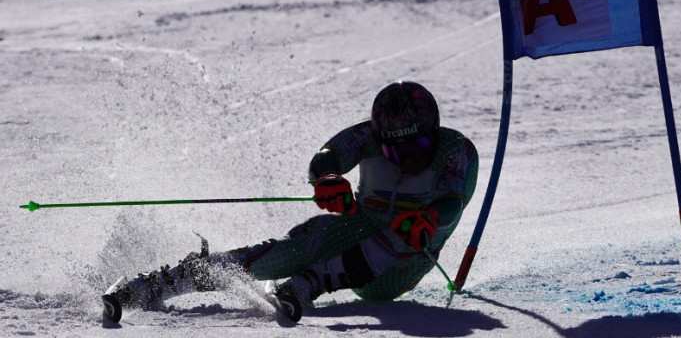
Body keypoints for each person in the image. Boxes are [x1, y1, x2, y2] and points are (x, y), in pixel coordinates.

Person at [102, 81, 479, 323]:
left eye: (417, 148)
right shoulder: (367, 135)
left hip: (405, 262)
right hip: (361, 225)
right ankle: (167, 281)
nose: (407, 159)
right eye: (393, 153)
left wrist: (429, 216)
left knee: (404, 233)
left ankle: (312, 281)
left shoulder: (455, 149)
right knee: (291, 249)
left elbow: (453, 201)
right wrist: (328, 177)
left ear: (433, 133)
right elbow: (328, 154)